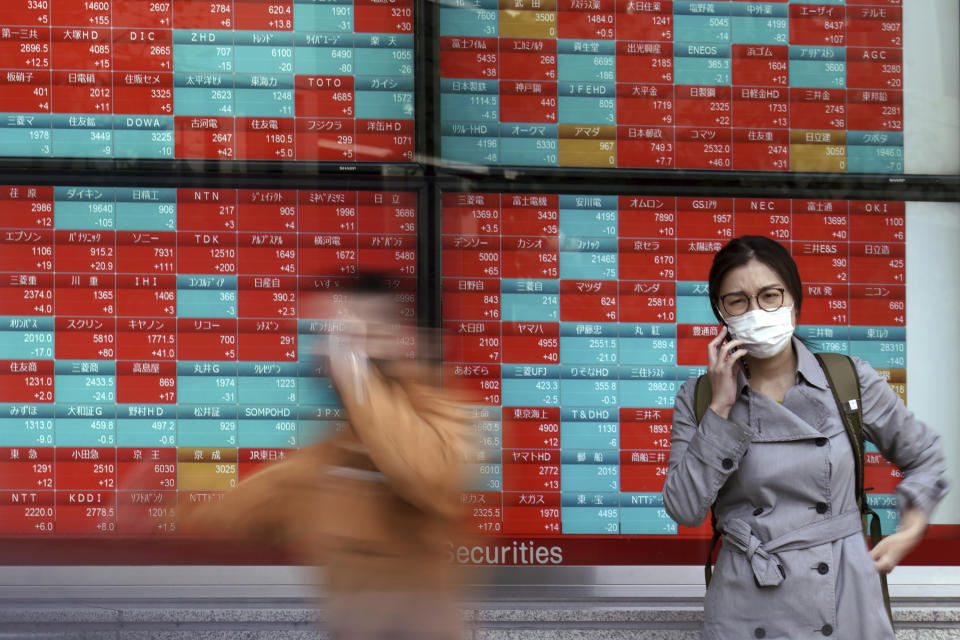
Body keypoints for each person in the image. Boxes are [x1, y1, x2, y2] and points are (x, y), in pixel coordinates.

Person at [662, 236, 949, 639]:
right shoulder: (700, 398)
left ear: (794, 299)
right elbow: (684, 508)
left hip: (843, 596)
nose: (756, 311)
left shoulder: (848, 380)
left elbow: (924, 454)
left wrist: (911, 529)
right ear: (721, 312)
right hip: (745, 603)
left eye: (769, 295)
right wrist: (721, 409)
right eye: (738, 301)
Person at [180, 273, 476, 640]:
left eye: (351, 336)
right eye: (328, 336)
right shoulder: (327, 455)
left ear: (400, 341)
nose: (329, 350)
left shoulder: (446, 415)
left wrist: (356, 377)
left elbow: (429, 475)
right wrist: (173, 494)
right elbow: (232, 515)